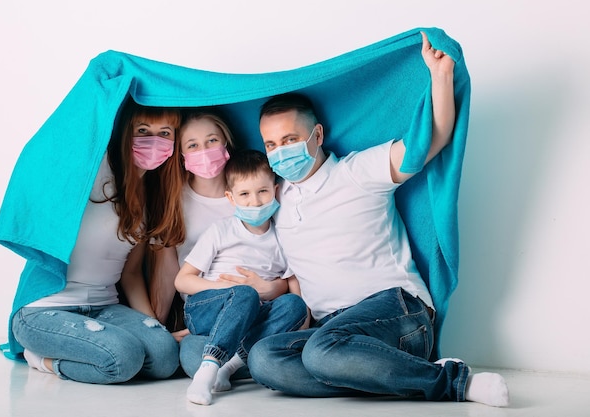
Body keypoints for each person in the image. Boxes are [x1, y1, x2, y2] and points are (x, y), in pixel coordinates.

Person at [244, 32, 510, 407]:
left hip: (398, 310)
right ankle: (376, 372)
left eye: (289, 139)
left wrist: (440, 77)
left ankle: (451, 381)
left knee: (320, 353)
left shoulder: (357, 171)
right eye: (271, 145)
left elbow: (430, 141)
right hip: (333, 329)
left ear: (317, 135)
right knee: (265, 359)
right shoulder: (275, 199)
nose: (280, 152)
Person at [10, 98, 183, 384]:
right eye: (143, 131)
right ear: (125, 133)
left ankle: (103, 349)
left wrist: (155, 329)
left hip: (105, 307)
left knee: (164, 358)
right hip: (45, 310)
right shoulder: (96, 170)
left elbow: (130, 274)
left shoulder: (150, 198)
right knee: (123, 359)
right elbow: (65, 134)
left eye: (165, 133)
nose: (154, 141)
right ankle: (42, 359)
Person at [148, 111, 291, 351]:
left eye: (212, 140)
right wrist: (157, 332)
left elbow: (283, 256)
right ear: (181, 154)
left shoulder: (255, 194)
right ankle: (236, 353)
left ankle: (239, 354)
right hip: (208, 307)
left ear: (226, 142)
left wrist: (274, 288)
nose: (204, 151)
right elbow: (169, 272)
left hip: (261, 304)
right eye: (193, 145)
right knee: (193, 357)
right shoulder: (174, 202)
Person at [175, 149, 308, 405]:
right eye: (244, 194)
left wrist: (296, 315)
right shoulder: (221, 230)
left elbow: (293, 287)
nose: (255, 202)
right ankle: (207, 370)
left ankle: (228, 367)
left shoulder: (282, 238)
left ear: (276, 192)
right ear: (231, 198)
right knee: (244, 293)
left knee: (295, 305)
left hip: (254, 314)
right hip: (208, 307)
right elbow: (182, 280)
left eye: (263, 191)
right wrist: (222, 288)